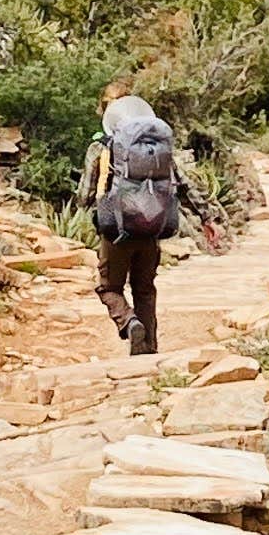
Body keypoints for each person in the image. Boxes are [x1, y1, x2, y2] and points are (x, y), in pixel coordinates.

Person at [75, 82, 220, 356]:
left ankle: (129, 323)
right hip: (153, 227)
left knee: (109, 288)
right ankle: (148, 349)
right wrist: (207, 217)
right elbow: (183, 184)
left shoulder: (101, 147)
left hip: (116, 230)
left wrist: (89, 211)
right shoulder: (157, 146)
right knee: (144, 289)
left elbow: (85, 194)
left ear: (106, 111)